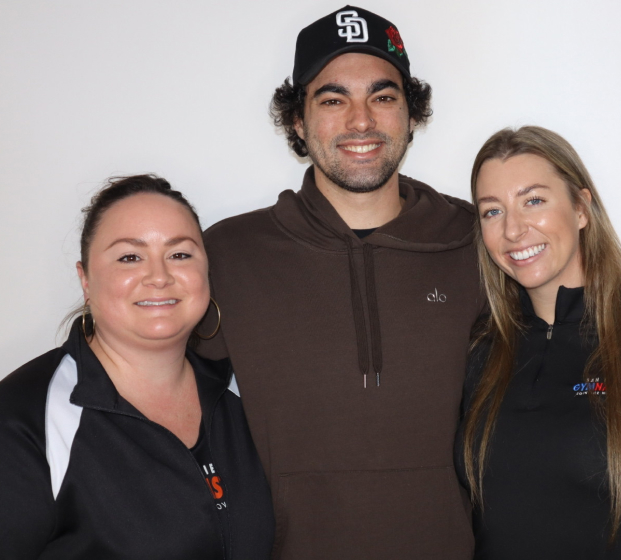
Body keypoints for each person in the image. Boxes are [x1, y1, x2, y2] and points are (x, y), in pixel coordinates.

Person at [197, 6, 484, 559]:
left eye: (383, 96)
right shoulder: (228, 255)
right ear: (299, 123)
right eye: (333, 99)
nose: (361, 121)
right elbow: (154, 396)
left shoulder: (478, 240)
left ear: (411, 113)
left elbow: (562, 344)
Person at [0, 175, 274, 560]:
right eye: (130, 257)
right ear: (85, 280)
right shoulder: (22, 419)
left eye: (180, 254)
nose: (159, 277)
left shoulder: (243, 393)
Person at [457, 126, 621, 559]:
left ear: (582, 208)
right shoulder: (480, 352)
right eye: (491, 211)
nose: (513, 229)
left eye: (533, 200)